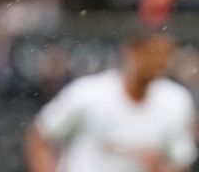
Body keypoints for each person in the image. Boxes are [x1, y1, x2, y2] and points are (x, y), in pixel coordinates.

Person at [24, 27, 197, 172]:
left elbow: (180, 161)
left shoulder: (177, 100)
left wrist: (159, 167)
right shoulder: (88, 93)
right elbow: (40, 138)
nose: (159, 61)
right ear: (130, 51)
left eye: (166, 53)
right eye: (153, 52)